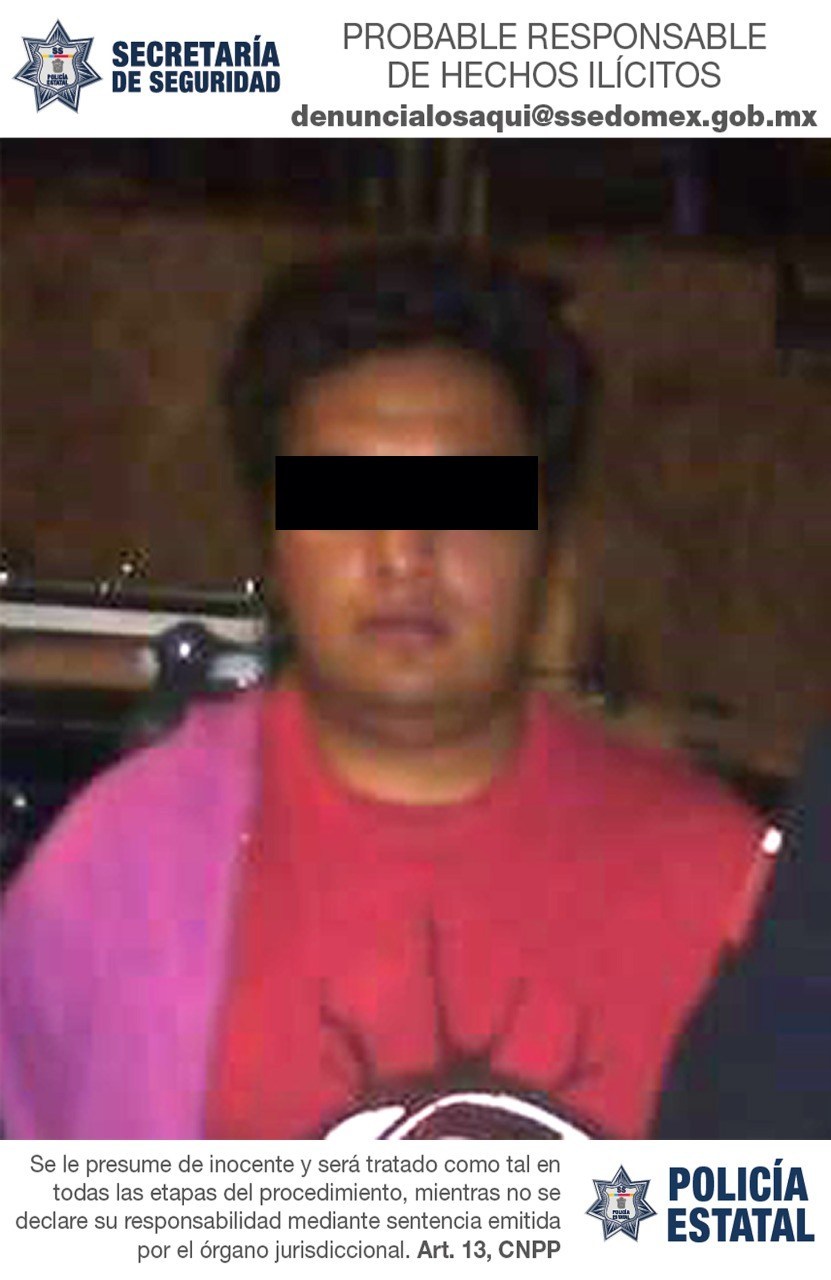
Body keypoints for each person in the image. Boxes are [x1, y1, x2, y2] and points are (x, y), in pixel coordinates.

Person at [0, 244, 771, 1139]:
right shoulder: (120, 873)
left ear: (546, 537)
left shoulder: (722, 888)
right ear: (273, 540)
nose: (403, 552)